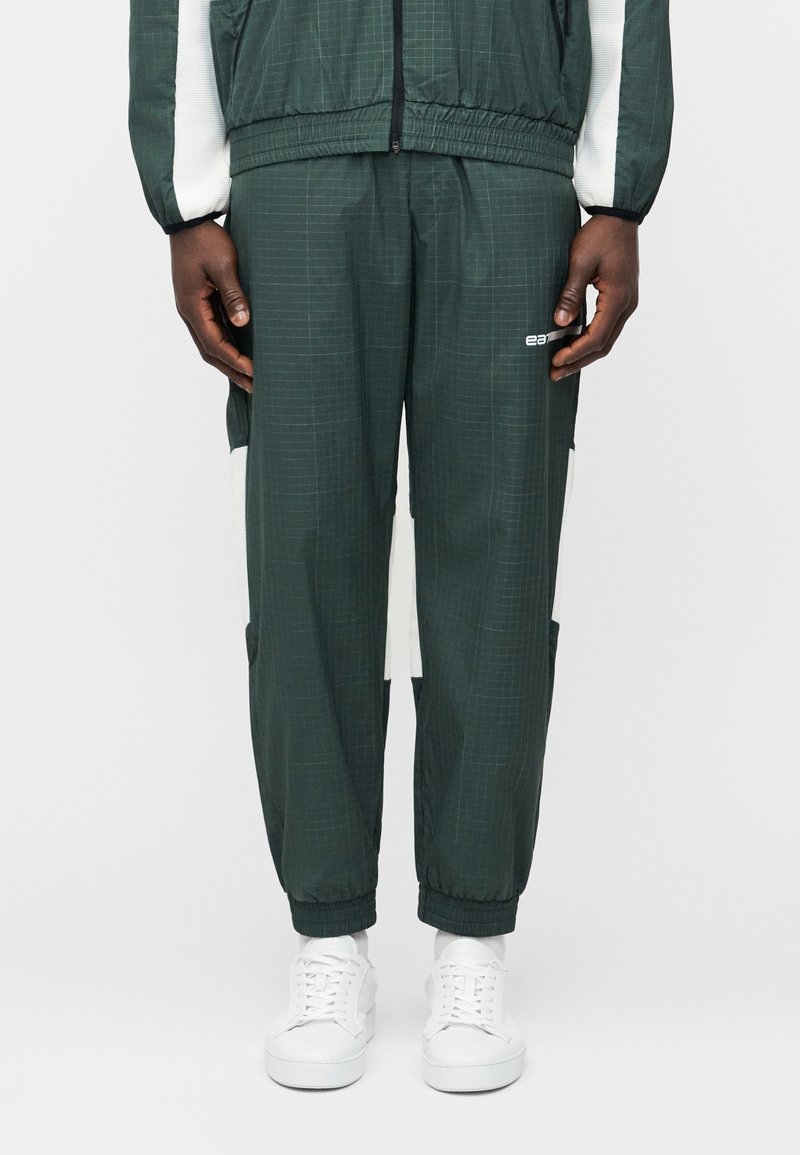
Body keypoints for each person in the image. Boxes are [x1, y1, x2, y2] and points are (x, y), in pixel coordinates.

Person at [128, 0, 673, 1093]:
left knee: (500, 560)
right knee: (304, 557)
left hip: (508, 154)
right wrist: (188, 204)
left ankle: (472, 940)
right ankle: (327, 935)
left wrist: (616, 194)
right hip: (298, 154)